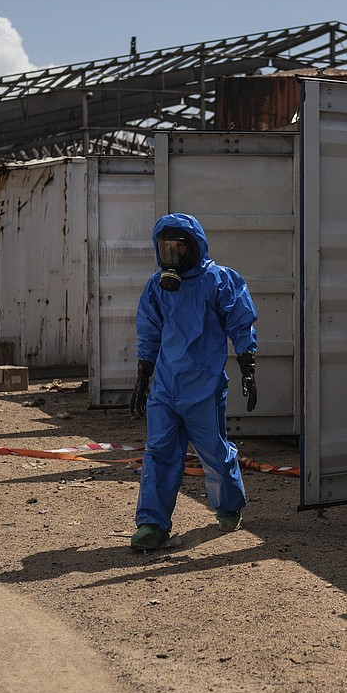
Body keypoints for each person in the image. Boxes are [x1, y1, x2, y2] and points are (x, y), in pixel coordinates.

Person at [129, 212, 259, 551]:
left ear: (195, 247)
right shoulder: (158, 287)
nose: (172, 254)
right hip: (166, 386)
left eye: (180, 247)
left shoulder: (218, 281)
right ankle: (151, 525)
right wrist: (144, 376)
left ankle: (228, 505)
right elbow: (149, 330)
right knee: (159, 453)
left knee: (214, 452)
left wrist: (248, 362)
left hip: (205, 384)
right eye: (166, 247)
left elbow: (240, 321)